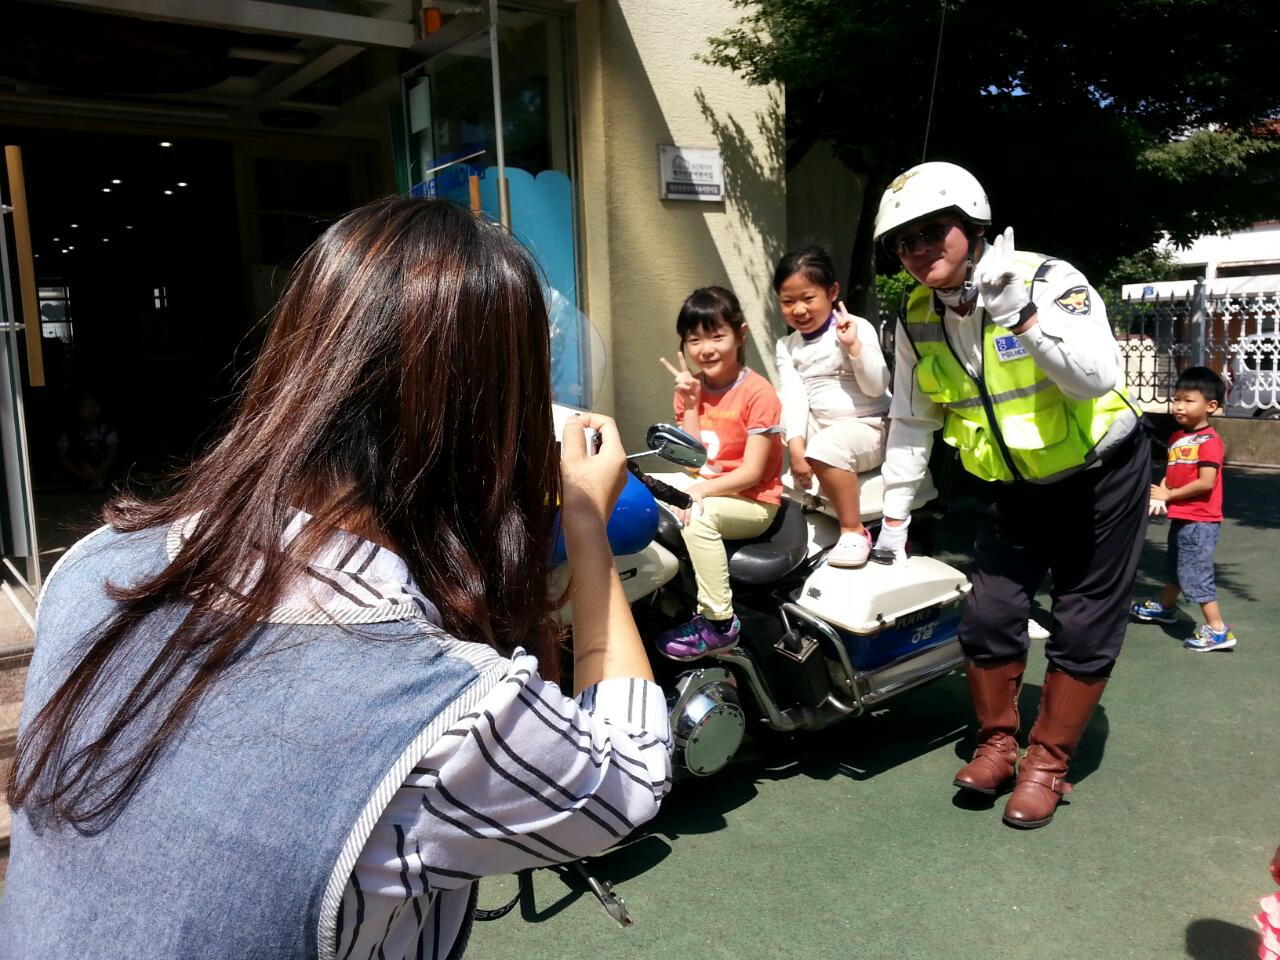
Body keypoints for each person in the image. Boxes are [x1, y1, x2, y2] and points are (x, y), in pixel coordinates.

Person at [1, 198, 670, 960]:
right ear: (489, 424)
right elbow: (630, 774)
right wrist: (581, 520)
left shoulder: (92, 568)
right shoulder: (440, 705)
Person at [873, 161, 1147, 829]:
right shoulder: (914, 316)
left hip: (1100, 475)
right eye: (904, 242)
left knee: (1083, 624)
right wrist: (893, 518)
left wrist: (1020, 316)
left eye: (933, 232)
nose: (918, 251)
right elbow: (912, 419)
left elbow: (1095, 377)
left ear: (971, 226)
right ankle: (998, 744)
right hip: (1013, 487)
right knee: (989, 615)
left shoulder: (1049, 281)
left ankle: (1048, 763)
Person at [654, 286, 784, 659]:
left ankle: (718, 623)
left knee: (697, 517)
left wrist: (699, 494)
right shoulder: (689, 388)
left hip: (753, 501)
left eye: (717, 336)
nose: (705, 348)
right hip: (708, 486)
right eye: (694, 339)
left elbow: (753, 472)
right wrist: (691, 404)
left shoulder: (759, 393)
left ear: (740, 334)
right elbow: (693, 461)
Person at [774, 246, 891, 567]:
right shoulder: (788, 346)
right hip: (827, 429)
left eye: (808, 298)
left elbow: (877, 386)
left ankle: (852, 530)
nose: (799, 310)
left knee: (827, 443)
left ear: (832, 292)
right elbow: (795, 397)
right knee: (774, 414)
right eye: (788, 301)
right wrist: (796, 447)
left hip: (872, 427)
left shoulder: (856, 327)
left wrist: (853, 347)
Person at [1131, 366, 1236, 651]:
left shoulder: (1211, 443)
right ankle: (1166, 607)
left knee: (1195, 572)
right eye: (1176, 399)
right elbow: (1173, 472)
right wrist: (1162, 494)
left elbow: (1206, 482)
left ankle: (1218, 630)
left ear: (1211, 406)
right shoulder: (1178, 437)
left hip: (1201, 521)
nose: (1179, 406)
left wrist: (1169, 493)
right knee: (1176, 565)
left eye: (1189, 400)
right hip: (1182, 516)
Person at [56, 392, 118, 490]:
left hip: (104, 472)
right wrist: (78, 472)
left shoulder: (108, 429)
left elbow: (113, 452)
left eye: (95, 406)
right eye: (85, 407)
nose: (91, 410)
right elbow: (62, 456)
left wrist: (100, 470)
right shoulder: (70, 433)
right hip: (77, 476)